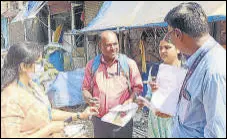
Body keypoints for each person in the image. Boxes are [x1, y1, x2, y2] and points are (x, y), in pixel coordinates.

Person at [1, 42, 98, 138]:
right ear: (23, 66)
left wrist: (79, 115)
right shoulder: (10, 99)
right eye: (38, 63)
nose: (42, 66)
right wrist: (49, 129)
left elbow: (47, 113)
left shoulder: (33, 87)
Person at [163, 2, 226, 138]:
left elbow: (218, 133)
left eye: (169, 36)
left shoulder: (213, 71)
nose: (170, 41)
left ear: (178, 34)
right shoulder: (196, 59)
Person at [82, 30, 143, 138]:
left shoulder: (128, 64)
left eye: (115, 44)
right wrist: (90, 99)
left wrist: (130, 100)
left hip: (122, 120)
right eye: (108, 45)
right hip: (100, 121)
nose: (113, 48)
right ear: (100, 46)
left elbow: (137, 88)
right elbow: (85, 89)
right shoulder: (92, 65)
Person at [136, 36, 182, 138]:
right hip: (155, 125)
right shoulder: (155, 70)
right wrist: (143, 102)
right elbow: (149, 95)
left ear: (178, 49)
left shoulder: (185, 71)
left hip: (174, 125)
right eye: (160, 48)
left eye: (167, 47)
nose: (162, 51)